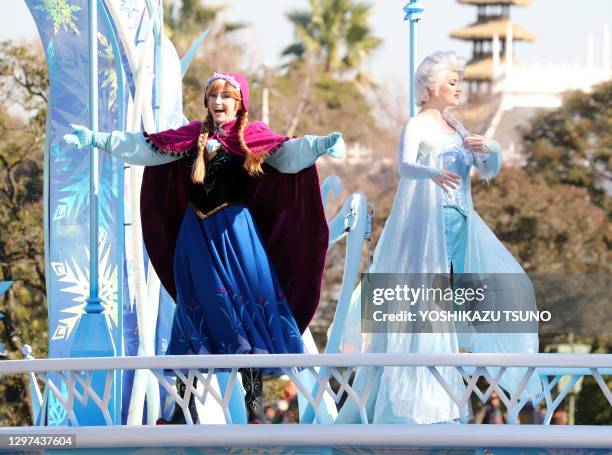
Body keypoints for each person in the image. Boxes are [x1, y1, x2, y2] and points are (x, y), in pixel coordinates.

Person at [65, 72, 345, 424]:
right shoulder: (191, 137)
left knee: (245, 316)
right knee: (191, 315)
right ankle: (183, 413)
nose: (218, 102)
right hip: (194, 238)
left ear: (240, 102)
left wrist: (319, 145)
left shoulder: (251, 137)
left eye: (226, 96)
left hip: (236, 239)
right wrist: (98, 139)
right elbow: (148, 147)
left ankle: (254, 411)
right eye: (213, 96)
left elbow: (288, 154)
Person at [334, 51, 540, 424]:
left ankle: (499, 377)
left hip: (462, 223)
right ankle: (420, 403)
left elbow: (486, 170)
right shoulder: (417, 125)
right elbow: (404, 166)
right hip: (428, 230)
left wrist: (488, 150)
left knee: (502, 288)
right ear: (431, 87)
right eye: (452, 81)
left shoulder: (457, 127)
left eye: (460, 81)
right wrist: (430, 173)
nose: (459, 87)